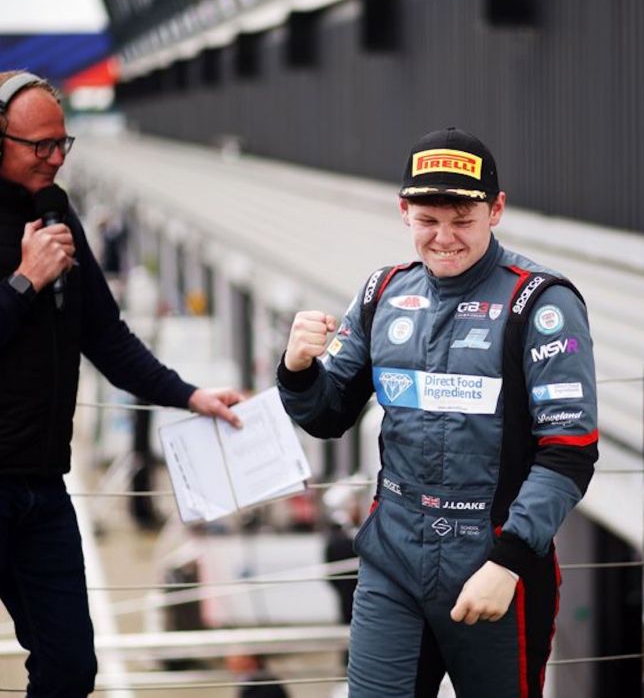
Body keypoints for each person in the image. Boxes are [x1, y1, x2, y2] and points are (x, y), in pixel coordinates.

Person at [277, 127, 598, 697]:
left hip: (494, 564)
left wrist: (508, 561)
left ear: (496, 210)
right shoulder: (381, 292)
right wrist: (298, 369)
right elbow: (328, 416)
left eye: (462, 220)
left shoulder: (541, 302)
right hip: (392, 561)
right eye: (428, 220)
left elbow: (569, 453)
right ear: (403, 211)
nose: (444, 238)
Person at [0, 69, 244, 696]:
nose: (56, 158)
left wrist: (190, 395)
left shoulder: (58, 219)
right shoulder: (36, 250)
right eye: (39, 146)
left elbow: (106, 337)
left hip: (41, 488)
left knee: (70, 667)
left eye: (62, 143)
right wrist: (25, 282)